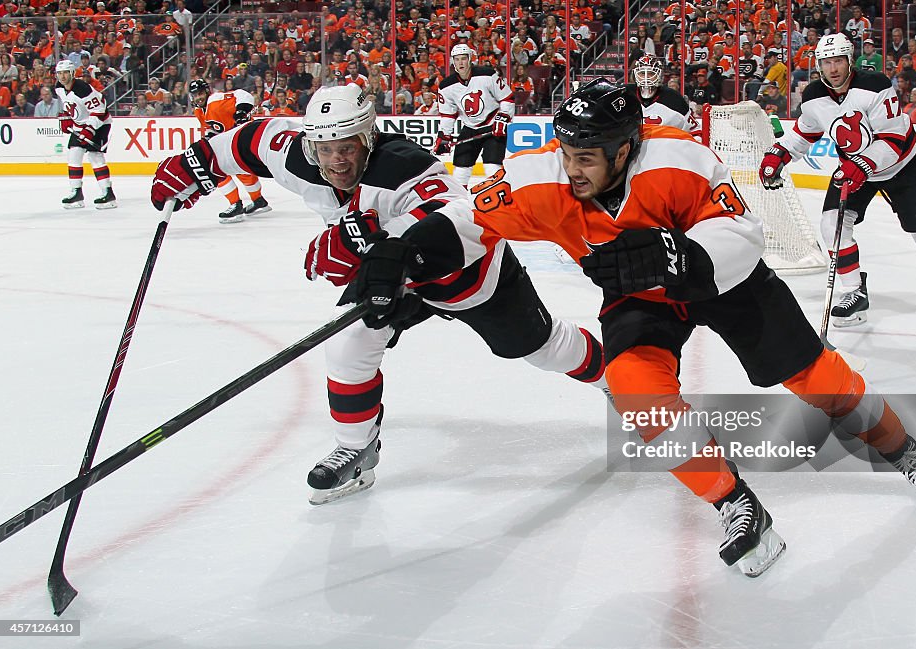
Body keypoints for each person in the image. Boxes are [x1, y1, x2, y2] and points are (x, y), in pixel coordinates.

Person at [344, 78, 916, 577]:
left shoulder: (680, 160)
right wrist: (403, 254)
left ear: (625, 148)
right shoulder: (539, 180)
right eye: (567, 151)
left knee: (813, 375)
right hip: (639, 299)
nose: (573, 168)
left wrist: (680, 257)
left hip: (722, 281)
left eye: (588, 156)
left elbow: (742, 235)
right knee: (637, 392)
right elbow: (465, 222)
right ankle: (734, 502)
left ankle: (902, 449)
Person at [148, 85, 609, 506]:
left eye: (347, 148)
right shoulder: (295, 155)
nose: (336, 161)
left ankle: (623, 380)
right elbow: (245, 141)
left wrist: (391, 248)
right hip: (381, 269)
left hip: (462, 273)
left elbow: (460, 213)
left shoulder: (404, 165)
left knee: (541, 348)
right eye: (325, 149)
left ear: (367, 140)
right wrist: (192, 165)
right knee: (349, 344)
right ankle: (355, 447)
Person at [759, 33, 916, 325]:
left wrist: (862, 164)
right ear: (819, 66)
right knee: (832, 223)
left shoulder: (875, 87)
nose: (832, 68)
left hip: (901, 166)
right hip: (855, 169)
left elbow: (894, 139)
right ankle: (855, 293)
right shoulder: (813, 97)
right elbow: (805, 132)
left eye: (838, 61)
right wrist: (779, 154)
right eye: (826, 62)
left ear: (850, 61)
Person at [190, 78, 271, 223]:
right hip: (235, 140)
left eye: (200, 93)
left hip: (244, 137)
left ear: (207, 91)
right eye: (195, 95)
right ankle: (258, 200)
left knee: (215, 169)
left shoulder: (215, 101)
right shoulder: (198, 111)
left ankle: (235, 205)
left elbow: (243, 94)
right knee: (242, 171)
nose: (198, 97)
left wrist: (241, 112)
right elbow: (214, 128)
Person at [433, 44, 514, 186]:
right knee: (460, 170)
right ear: (453, 61)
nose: (460, 63)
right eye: (457, 59)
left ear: (470, 59)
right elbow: (448, 115)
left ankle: (498, 200)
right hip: (469, 127)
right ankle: (460, 203)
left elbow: (507, 98)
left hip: (492, 126)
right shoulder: (446, 86)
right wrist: (444, 137)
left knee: (492, 167)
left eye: (463, 58)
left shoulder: (487, 75)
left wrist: (503, 118)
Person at [54, 59, 115, 209]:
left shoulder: (83, 89)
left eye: (65, 73)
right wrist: (67, 116)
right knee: (73, 154)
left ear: (72, 73)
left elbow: (100, 110)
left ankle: (108, 194)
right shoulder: (59, 88)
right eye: (59, 73)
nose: (62, 77)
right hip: (80, 125)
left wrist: (90, 129)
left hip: (100, 124)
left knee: (95, 156)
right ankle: (76, 193)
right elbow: (69, 104)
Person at [626, 55, 697, 132]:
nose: (646, 77)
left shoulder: (674, 98)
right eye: (642, 73)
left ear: (659, 75)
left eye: (651, 73)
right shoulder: (625, 94)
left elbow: (694, 130)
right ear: (636, 74)